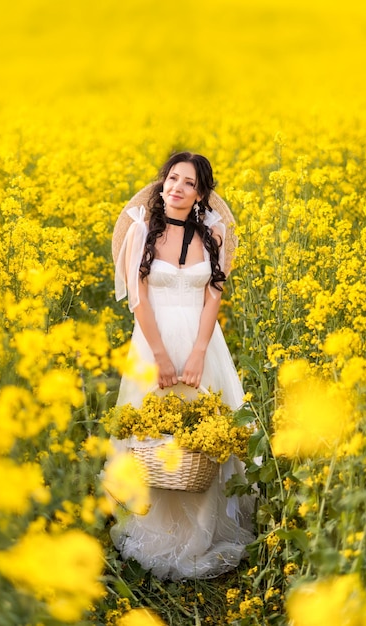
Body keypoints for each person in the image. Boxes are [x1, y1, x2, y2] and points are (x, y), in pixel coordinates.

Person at [106, 151, 256, 581]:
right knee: (153, 437)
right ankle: (156, 526)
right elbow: (138, 299)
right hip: (153, 342)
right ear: (163, 183)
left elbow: (213, 297)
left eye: (189, 183)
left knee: (205, 437)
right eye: (172, 178)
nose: (177, 188)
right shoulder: (142, 231)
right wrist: (160, 356)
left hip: (202, 343)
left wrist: (196, 352)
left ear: (200, 193)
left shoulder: (214, 234)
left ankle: (202, 531)